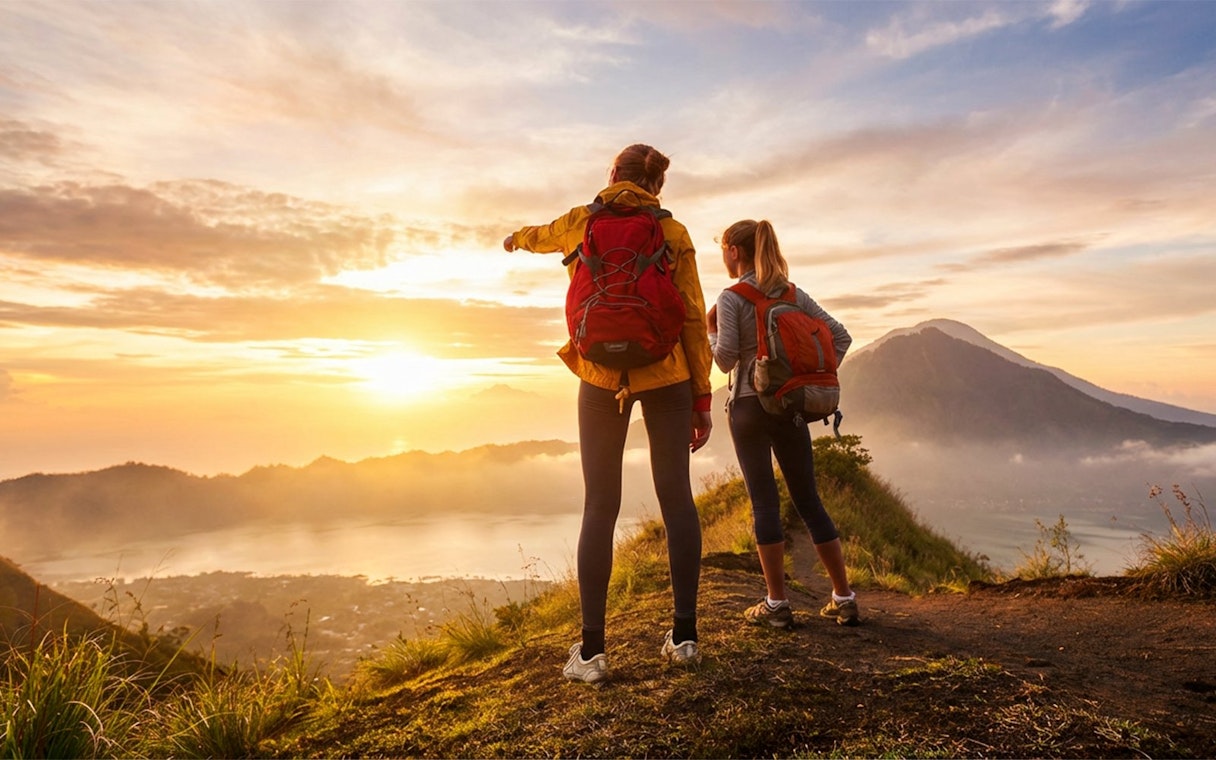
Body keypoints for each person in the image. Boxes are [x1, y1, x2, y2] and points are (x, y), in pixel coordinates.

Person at [503, 144, 714, 683]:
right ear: (656, 186)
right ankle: (685, 638)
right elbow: (691, 315)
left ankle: (593, 652)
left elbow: (541, 234)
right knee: (676, 499)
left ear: (613, 175)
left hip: (599, 376)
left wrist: (515, 240)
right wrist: (702, 396)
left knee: (600, 503)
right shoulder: (673, 233)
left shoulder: (583, 221)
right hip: (666, 375)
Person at [708, 219, 859, 628]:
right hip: (790, 406)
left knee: (764, 503)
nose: (722, 256)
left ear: (734, 251)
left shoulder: (731, 297)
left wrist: (708, 334)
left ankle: (777, 604)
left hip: (748, 406)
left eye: (722, 248)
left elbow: (723, 359)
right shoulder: (793, 293)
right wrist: (803, 378)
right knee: (808, 499)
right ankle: (844, 597)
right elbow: (840, 337)